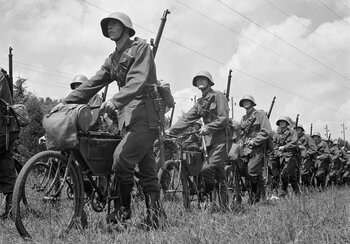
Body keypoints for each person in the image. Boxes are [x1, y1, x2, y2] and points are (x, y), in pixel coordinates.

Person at [53, 12, 164, 229]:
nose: (110, 27)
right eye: (108, 25)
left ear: (126, 28)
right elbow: (92, 84)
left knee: (121, 159)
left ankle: (124, 209)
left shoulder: (141, 48)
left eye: (114, 24)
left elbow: (138, 80)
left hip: (146, 115)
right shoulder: (112, 59)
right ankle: (156, 218)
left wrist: (116, 100)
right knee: (148, 169)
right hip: (129, 120)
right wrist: (66, 102)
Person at [167, 71, 230, 211]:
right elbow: (187, 118)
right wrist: (170, 131)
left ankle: (206, 197)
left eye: (203, 79)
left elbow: (223, 118)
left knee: (207, 168)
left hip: (221, 139)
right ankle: (225, 207)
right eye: (198, 80)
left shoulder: (218, 96)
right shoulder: (200, 103)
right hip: (208, 143)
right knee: (219, 173)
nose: (200, 81)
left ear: (209, 81)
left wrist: (208, 127)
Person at [238, 95, 272, 204]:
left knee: (251, 172)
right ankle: (262, 197)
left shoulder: (260, 114)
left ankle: (253, 198)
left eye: (248, 101)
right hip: (246, 149)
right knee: (254, 174)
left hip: (258, 148)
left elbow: (266, 131)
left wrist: (254, 140)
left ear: (253, 103)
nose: (246, 103)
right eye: (244, 101)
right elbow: (241, 133)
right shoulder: (244, 118)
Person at [0, 68, 19, 219]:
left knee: (6, 165)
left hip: (4, 130)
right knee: (6, 166)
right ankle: (11, 212)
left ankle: (11, 211)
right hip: (7, 130)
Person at [273, 116, 300, 197]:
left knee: (284, 174)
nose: (282, 123)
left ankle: (284, 191)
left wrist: (284, 147)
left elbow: (294, 142)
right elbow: (274, 143)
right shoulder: (277, 134)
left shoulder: (292, 132)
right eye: (280, 122)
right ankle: (297, 193)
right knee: (292, 177)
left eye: (283, 122)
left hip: (291, 157)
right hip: (281, 157)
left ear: (287, 123)